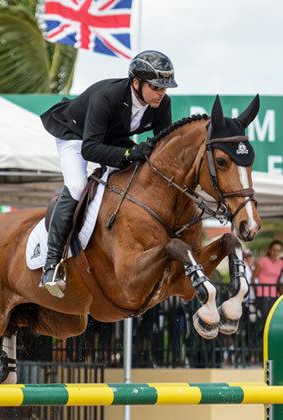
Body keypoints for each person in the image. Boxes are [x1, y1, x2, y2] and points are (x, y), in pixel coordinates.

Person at [40, 50, 178, 297]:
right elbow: (90, 148)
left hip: (113, 139)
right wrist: (127, 155)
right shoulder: (108, 96)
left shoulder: (161, 104)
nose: (161, 94)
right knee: (78, 186)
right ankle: (51, 264)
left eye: (164, 89)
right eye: (157, 87)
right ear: (137, 83)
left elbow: (164, 146)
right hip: (76, 137)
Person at [251, 240, 283, 319]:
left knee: (273, 317)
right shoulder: (263, 260)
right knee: (265, 316)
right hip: (262, 294)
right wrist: (256, 290)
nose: (276, 252)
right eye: (274, 250)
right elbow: (253, 278)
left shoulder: (281, 263)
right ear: (269, 250)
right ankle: (261, 331)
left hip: (275, 294)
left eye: (278, 250)